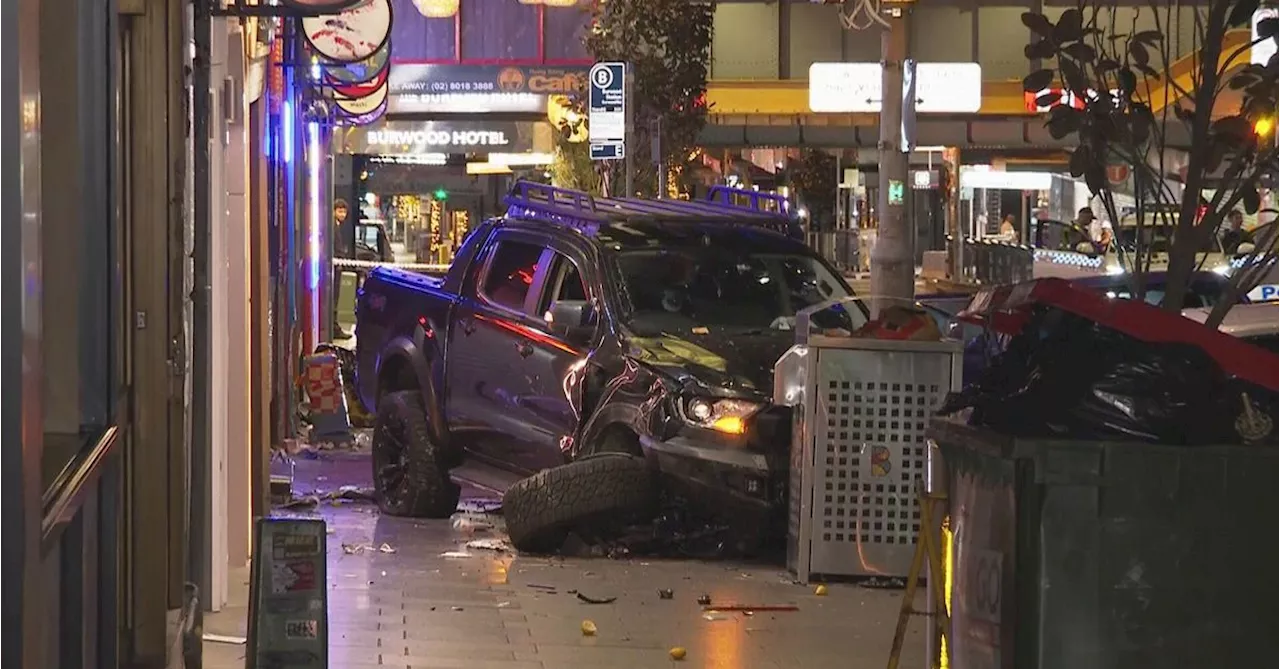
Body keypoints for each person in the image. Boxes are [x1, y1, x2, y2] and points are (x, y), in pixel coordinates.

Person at [332, 199, 353, 339]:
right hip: (334, 267)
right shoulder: (332, 227)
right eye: (339, 211)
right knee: (334, 298)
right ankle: (334, 327)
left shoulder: (336, 226)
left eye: (344, 211)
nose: (342, 214)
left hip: (337, 265)